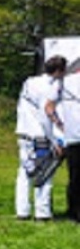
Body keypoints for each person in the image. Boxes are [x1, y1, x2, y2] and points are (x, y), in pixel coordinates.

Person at [15, 56, 66, 221]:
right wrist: (54, 140)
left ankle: (22, 211)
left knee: (25, 172)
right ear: (58, 71)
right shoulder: (49, 88)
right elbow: (46, 115)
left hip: (23, 131)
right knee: (44, 173)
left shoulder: (30, 82)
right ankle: (42, 212)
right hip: (39, 135)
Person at [44, 62, 80, 222]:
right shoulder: (66, 82)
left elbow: (49, 106)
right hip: (73, 136)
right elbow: (49, 106)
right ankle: (73, 211)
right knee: (75, 177)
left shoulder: (64, 82)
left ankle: (73, 211)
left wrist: (59, 123)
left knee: (75, 176)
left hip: (72, 135)